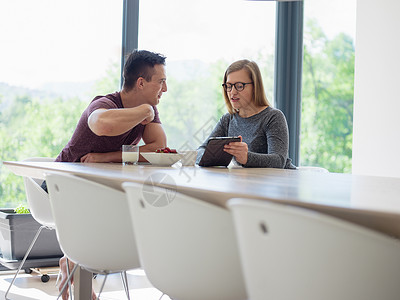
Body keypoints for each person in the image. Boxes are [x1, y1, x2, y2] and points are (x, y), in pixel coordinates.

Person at [51, 49, 168, 299]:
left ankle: (72, 261)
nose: (164, 89)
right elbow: (102, 124)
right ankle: (74, 261)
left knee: (130, 206)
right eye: (161, 82)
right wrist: (144, 112)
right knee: (111, 212)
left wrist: (107, 157)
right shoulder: (105, 103)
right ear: (141, 83)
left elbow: (158, 147)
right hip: (63, 186)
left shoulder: (150, 110)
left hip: (97, 189)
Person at [196, 59, 296, 169]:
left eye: (239, 86)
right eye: (229, 86)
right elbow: (200, 151)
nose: (232, 92)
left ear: (255, 87)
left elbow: (279, 160)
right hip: (247, 182)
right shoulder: (228, 120)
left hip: (278, 183)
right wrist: (211, 156)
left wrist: (247, 157)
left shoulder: (273, 117)